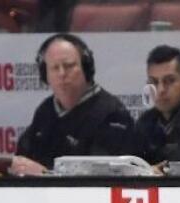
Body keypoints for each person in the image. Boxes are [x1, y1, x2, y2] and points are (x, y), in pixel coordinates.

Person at [10, 33, 132, 176]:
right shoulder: (46, 110)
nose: (62, 73)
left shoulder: (111, 113)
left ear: (86, 68)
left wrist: (47, 174)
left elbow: (102, 178)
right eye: (55, 68)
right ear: (45, 75)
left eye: (69, 66)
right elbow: (24, 157)